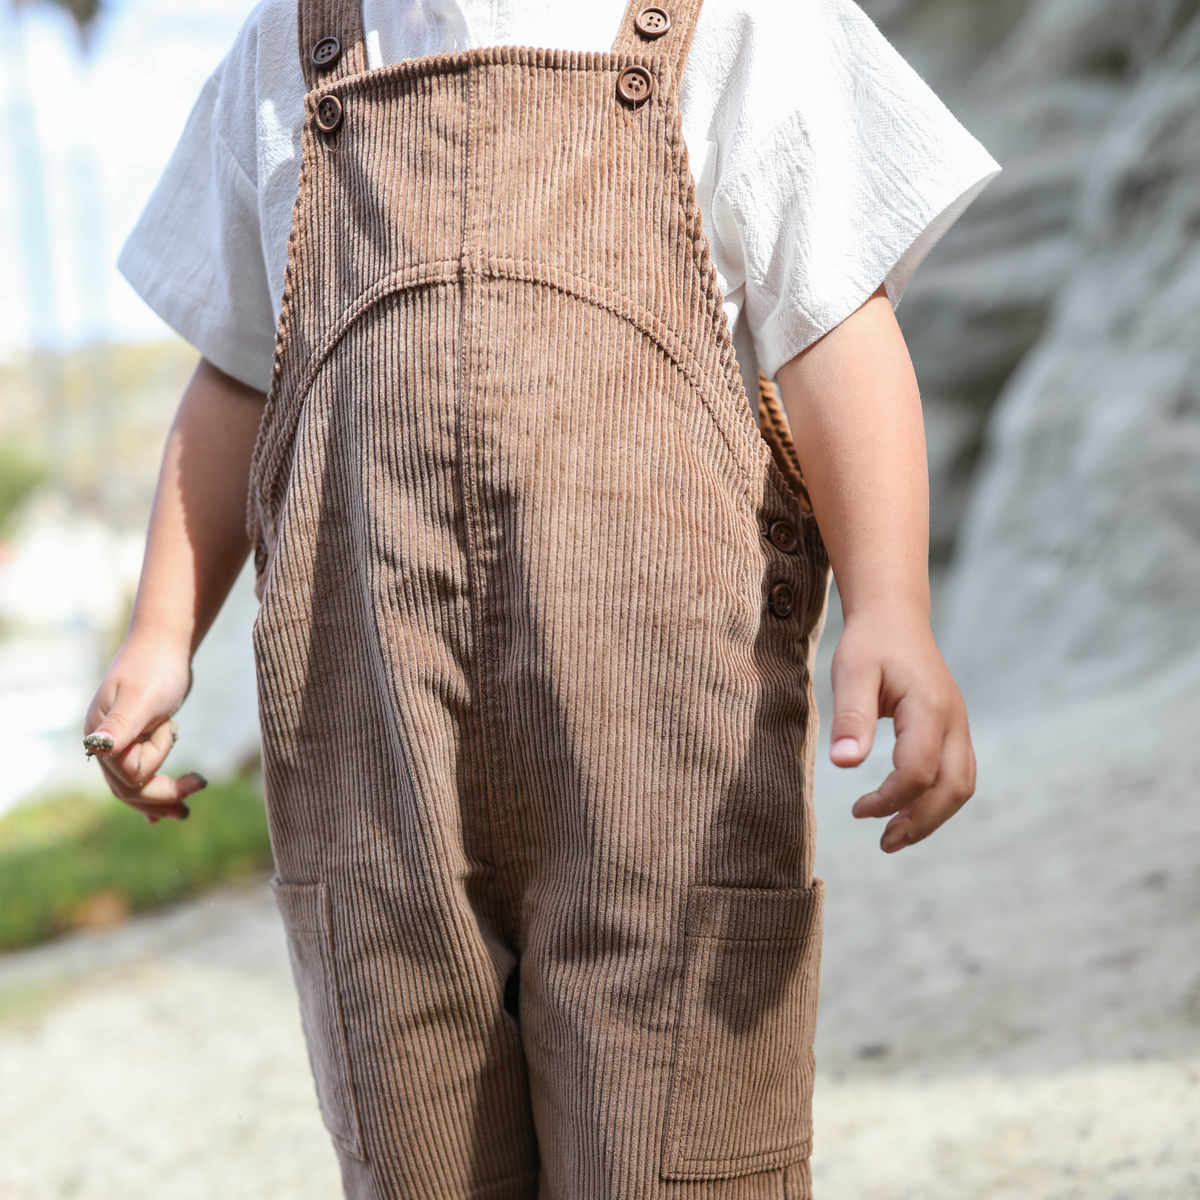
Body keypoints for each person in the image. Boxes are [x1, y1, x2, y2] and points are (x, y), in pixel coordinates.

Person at [84, 1, 996, 1195]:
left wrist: (891, 608)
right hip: (373, 752)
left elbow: (834, 320)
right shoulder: (290, 49)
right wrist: (162, 634)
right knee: (416, 1132)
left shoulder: (742, 19)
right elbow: (237, 371)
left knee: (671, 1136)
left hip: (663, 734)